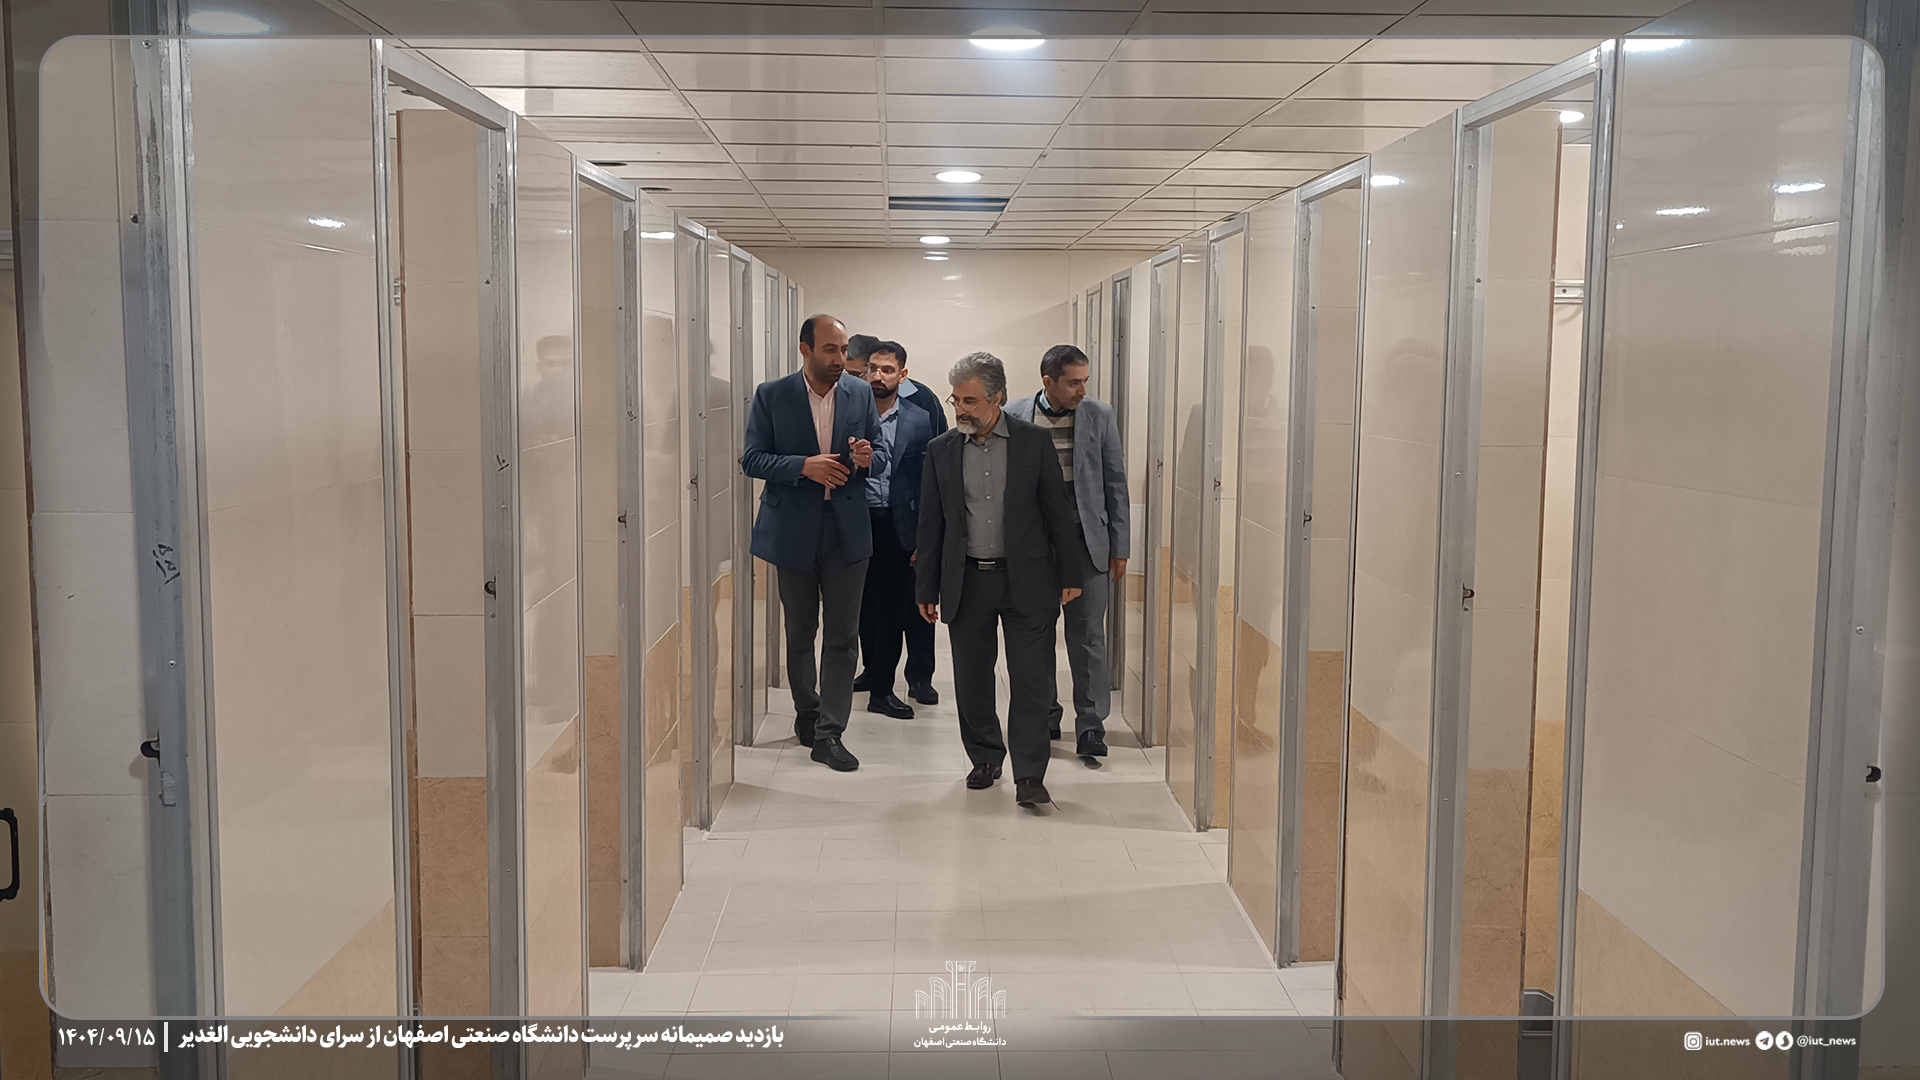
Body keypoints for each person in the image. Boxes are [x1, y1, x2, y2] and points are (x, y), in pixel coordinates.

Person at [916, 352, 1083, 808]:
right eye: (956, 400)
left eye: (970, 401)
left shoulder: (1033, 442)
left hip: (1027, 579)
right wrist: (925, 587)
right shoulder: (941, 450)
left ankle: (1030, 773)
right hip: (968, 581)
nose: (961, 409)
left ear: (998, 398)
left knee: (1030, 680)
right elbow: (931, 524)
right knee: (972, 678)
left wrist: (1070, 572)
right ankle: (985, 757)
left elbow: (1057, 512)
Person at [740, 314, 882, 772]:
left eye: (843, 350)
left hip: (847, 530)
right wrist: (804, 466)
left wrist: (867, 457)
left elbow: (881, 455)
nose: (840, 358)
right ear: (805, 349)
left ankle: (830, 732)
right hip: (792, 529)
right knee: (800, 634)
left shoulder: (860, 393)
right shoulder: (773, 394)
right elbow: (752, 459)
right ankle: (807, 712)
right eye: (830, 350)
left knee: (842, 636)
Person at [1004, 344, 1129, 761]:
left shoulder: (1100, 415)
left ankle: (1091, 724)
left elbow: (1115, 483)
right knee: (1036, 634)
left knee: (1088, 636)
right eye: (1074, 382)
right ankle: (1045, 715)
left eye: (1085, 381)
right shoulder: (1015, 415)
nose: (1082, 390)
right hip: (1035, 547)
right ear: (1048, 381)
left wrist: (1120, 546)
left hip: (1086, 543)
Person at [853, 344, 936, 719]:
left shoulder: (919, 418)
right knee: (863, 605)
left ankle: (896, 684)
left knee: (898, 608)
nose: (878, 376)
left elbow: (928, 480)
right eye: (873, 368)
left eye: (887, 370)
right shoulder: (852, 414)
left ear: (903, 375)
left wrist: (925, 536)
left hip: (901, 523)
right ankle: (873, 673)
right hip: (858, 519)